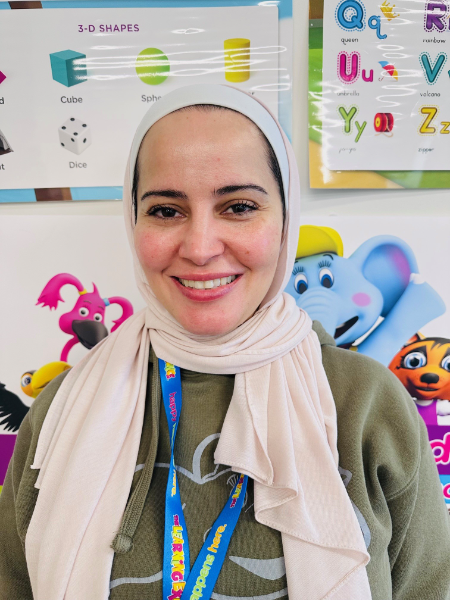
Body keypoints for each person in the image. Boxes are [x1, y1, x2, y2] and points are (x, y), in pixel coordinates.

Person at [0, 84, 449, 600]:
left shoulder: (366, 403)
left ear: (285, 220)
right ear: (133, 220)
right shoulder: (65, 407)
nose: (199, 248)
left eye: (238, 206)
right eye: (166, 211)